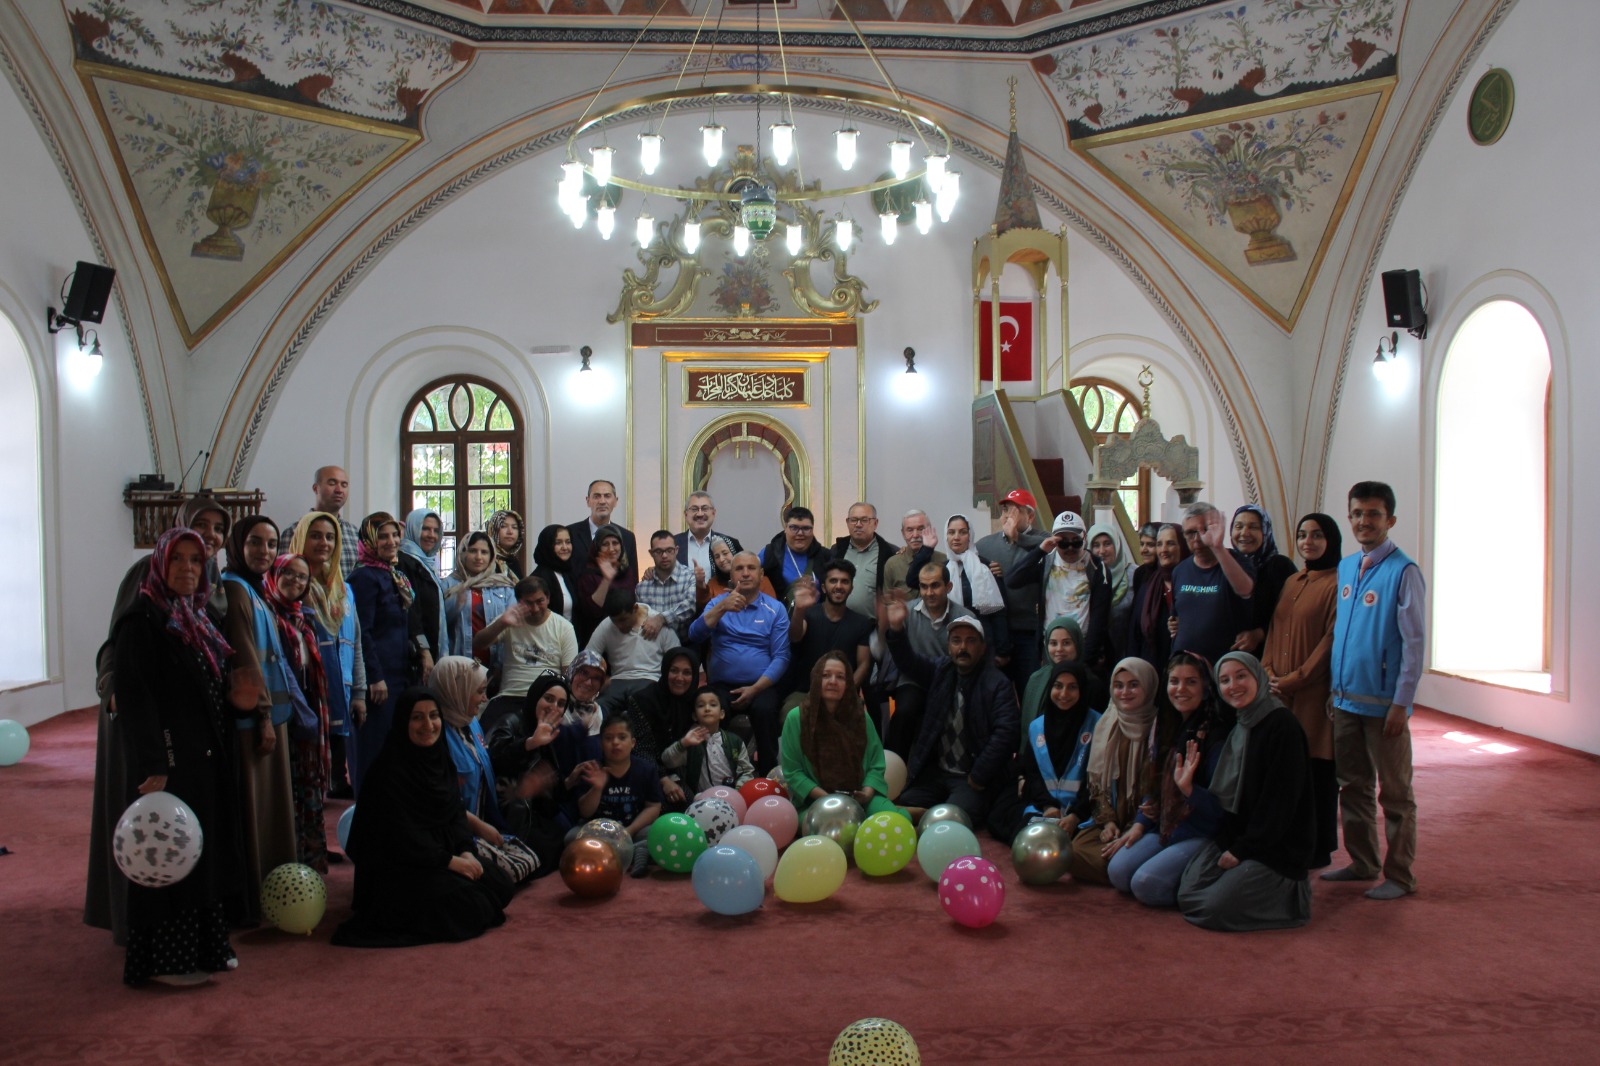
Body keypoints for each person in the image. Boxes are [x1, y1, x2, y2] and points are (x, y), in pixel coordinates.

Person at [93, 528, 244, 986]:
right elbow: (136, 699)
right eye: (177, 560)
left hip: (202, 757)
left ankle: (205, 950)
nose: (187, 569)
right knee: (167, 855)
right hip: (169, 763)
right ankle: (166, 960)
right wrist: (156, 765)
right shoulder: (142, 620)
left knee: (201, 854)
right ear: (159, 564)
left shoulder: (196, 616)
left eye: (195, 561)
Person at [332, 689, 514, 948]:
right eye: (417, 717)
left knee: (501, 885)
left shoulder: (440, 760)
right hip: (400, 869)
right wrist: (449, 862)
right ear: (403, 722)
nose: (427, 725)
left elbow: (455, 815)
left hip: (439, 855)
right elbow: (400, 838)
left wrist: (466, 852)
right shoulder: (388, 772)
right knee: (471, 904)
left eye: (433, 716)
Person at [1324, 481, 1424, 901]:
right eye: (1357, 513)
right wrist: (1335, 689)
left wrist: (1401, 703)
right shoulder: (1347, 567)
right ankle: (1363, 862)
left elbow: (1414, 643)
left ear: (1390, 520)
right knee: (1353, 785)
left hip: (1385, 706)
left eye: (1373, 514)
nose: (1364, 521)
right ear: (1349, 517)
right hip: (1346, 700)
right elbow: (1341, 635)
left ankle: (1400, 876)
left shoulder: (1404, 572)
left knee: (1396, 794)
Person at [1176, 652, 1315, 931]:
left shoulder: (1282, 725)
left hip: (1276, 847)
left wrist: (1243, 850)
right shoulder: (1241, 725)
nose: (1233, 685)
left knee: (1213, 908)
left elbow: (1280, 803)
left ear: (1258, 677)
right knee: (1187, 894)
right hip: (1241, 837)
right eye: (1224, 680)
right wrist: (1230, 842)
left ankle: (1290, 903)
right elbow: (1234, 803)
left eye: (1241, 676)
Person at [1107, 651, 1234, 906]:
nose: (1181, 689)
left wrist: (1188, 789)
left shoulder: (1216, 736)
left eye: (1191, 682)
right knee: (1118, 872)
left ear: (1206, 687)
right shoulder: (1167, 724)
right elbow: (1153, 785)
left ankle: (1202, 885)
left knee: (1145, 885)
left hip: (1203, 832)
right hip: (1166, 826)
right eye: (1174, 681)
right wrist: (1140, 824)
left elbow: (1222, 812)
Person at [218, 515, 298, 919]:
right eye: (254, 542)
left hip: (273, 715)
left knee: (271, 808)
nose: (264, 552)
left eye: (270, 544)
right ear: (237, 546)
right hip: (254, 721)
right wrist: (263, 717)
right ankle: (254, 898)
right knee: (257, 808)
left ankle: (272, 889)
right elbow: (246, 660)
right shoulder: (234, 591)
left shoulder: (255, 589)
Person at [884, 604, 1018, 825]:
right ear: (948, 646)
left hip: (971, 776)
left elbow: (1006, 733)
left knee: (958, 816)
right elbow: (908, 662)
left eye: (970, 641)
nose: (962, 647)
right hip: (939, 773)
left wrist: (978, 775)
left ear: (983, 647)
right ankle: (927, 813)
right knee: (909, 798)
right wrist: (897, 629)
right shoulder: (942, 670)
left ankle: (925, 815)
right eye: (956, 640)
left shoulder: (997, 684)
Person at [1261, 514, 1342, 869]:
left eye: (1317, 535)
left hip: (1312, 692)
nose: (1308, 541)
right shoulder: (1293, 580)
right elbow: (1274, 629)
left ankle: (1319, 846)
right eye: (1302, 535)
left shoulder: (1339, 583)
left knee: (1317, 770)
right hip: (1279, 689)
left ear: (1332, 540)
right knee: (1288, 769)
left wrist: (1296, 678)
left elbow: (1330, 641)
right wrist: (1266, 672)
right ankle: (1292, 838)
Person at [431, 655, 545, 885]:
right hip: (454, 830)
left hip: (483, 822)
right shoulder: (436, 735)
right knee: (505, 877)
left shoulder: (471, 722)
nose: (484, 699)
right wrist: (479, 827)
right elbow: (440, 802)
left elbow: (489, 764)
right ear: (456, 690)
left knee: (533, 860)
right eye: (479, 691)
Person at [688, 550, 791, 774]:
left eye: (751, 568)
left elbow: (782, 657)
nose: (745, 573)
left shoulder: (776, 609)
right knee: (711, 713)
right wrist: (722, 607)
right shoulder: (717, 603)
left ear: (761, 574)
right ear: (731, 575)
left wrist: (755, 689)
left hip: (761, 685)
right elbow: (694, 635)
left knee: (765, 712)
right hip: (722, 685)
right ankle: (713, 775)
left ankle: (768, 776)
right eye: (739, 569)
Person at [1063, 658, 1162, 885]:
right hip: (1114, 821)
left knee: (1117, 867)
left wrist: (1135, 825)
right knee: (1072, 853)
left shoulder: (1159, 728)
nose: (1124, 692)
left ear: (1149, 687)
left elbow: (1156, 790)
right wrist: (1108, 823)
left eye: (1133, 685)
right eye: (1118, 685)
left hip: (1146, 824)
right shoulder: (1107, 723)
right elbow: (1095, 785)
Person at [262, 553, 332, 873]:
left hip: (308, 710)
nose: (295, 581)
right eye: (288, 573)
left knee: (308, 786)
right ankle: (286, 863)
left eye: (302, 577)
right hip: (282, 713)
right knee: (285, 790)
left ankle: (311, 861)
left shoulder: (303, 618)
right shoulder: (266, 615)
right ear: (274, 574)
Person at [290, 512, 367, 803]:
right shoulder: (290, 583)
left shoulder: (343, 589)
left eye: (330, 537)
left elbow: (354, 642)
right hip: (306, 692)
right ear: (301, 538)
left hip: (340, 689)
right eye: (316, 535)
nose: (324, 543)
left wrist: (358, 692)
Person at [985, 659, 1101, 844]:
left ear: (1082, 689)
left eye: (1072, 687)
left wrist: (1075, 815)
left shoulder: (1097, 725)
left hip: (1081, 812)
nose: (1064, 694)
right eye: (1058, 686)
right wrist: (1048, 806)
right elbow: (1032, 774)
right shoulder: (1037, 726)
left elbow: (1097, 780)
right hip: (1046, 808)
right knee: (1011, 829)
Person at [780, 652, 906, 818]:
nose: (833, 681)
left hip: (860, 798)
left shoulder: (861, 717)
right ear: (816, 680)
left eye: (840, 677)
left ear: (848, 683)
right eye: (826, 675)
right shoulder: (796, 718)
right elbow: (793, 771)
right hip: (815, 802)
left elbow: (876, 762)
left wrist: (867, 793)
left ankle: (904, 813)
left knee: (892, 819)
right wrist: (829, 800)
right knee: (824, 829)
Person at [349, 512, 421, 796]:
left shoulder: (391, 573)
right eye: (382, 536)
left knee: (393, 752)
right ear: (368, 540)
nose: (391, 541)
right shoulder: (364, 576)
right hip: (377, 680)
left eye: (394, 535)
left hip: (397, 676)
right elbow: (362, 632)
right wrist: (373, 677)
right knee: (373, 753)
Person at [883, 562, 976, 756]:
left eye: (935, 585)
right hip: (913, 679)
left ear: (948, 587)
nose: (929, 592)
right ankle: (892, 767)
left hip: (950, 681)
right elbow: (902, 660)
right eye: (924, 586)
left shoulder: (965, 617)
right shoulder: (905, 612)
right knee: (905, 710)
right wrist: (895, 628)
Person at [1007, 510, 1114, 671]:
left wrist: (1086, 661)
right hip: (1051, 649)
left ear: (1084, 538)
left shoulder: (1097, 567)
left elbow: (1100, 618)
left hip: (1083, 648)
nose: (1070, 547)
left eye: (1075, 542)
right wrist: (1040, 550)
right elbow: (1012, 580)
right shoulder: (1046, 561)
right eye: (1063, 543)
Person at [485, 674, 576, 857]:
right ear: (535, 696)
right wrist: (530, 743)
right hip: (509, 815)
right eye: (548, 699)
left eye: (560, 704)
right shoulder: (510, 721)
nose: (554, 707)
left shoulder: (550, 732)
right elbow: (494, 760)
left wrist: (570, 780)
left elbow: (548, 790)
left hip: (536, 814)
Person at [475, 576, 580, 727]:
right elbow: (479, 643)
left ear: (548, 598)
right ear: (519, 602)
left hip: (547, 697)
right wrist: (502, 623)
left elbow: (568, 675)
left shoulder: (564, 627)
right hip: (511, 696)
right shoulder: (509, 620)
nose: (535, 608)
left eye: (540, 601)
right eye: (528, 603)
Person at [572, 714, 662, 876]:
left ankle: (625, 852)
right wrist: (597, 788)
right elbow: (585, 812)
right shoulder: (592, 769)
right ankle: (635, 853)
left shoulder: (646, 769)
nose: (615, 743)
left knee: (659, 834)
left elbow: (653, 806)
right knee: (572, 838)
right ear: (601, 743)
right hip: (599, 833)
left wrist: (629, 831)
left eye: (622, 737)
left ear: (632, 743)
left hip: (633, 829)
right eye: (609, 738)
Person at [977, 488, 1046, 691]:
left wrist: (1018, 538)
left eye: (1015, 512)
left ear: (1030, 516)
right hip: (999, 632)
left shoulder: (1042, 540)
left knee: (1030, 690)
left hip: (1029, 632)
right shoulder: (985, 545)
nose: (1008, 516)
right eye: (1005, 510)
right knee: (999, 692)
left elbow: (1050, 547)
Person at [1171, 502, 1256, 664]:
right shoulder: (1180, 570)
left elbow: (1245, 589)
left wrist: (1217, 547)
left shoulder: (1237, 562)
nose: (1197, 539)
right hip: (1185, 666)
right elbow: (1177, 618)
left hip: (1225, 666)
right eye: (1190, 533)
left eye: (1203, 531)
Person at [782, 558, 874, 702]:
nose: (839, 586)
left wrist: (845, 691)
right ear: (824, 587)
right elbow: (795, 636)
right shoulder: (808, 614)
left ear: (851, 588)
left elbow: (863, 664)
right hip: (806, 693)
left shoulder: (862, 623)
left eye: (844, 581)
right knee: (790, 714)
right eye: (833, 581)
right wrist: (799, 609)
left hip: (845, 694)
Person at [625, 648, 702, 807]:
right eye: (674, 670)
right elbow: (639, 749)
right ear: (665, 670)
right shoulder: (643, 701)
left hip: (676, 770)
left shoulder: (693, 703)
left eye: (687, 672)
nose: (680, 678)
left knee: (691, 802)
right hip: (643, 770)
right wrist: (664, 780)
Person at [585, 589, 680, 713]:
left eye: (623, 620)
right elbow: (588, 656)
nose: (619, 626)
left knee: (643, 706)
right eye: (615, 622)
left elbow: (677, 659)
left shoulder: (658, 623)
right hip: (617, 681)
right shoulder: (607, 625)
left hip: (649, 679)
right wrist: (601, 679)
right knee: (597, 710)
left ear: (635, 608)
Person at [441, 530, 517, 669]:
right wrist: (456, 604)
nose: (478, 557)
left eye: (484, 552)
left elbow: (512, 629)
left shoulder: (504, 586)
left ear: (492, 556)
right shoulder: (449, 584)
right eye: (472, 551)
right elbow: (440, 624)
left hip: (496, 665)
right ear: (463, 553)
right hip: (459, 664)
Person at [1229, 505, 1299, 655]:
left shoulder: (1280, 566)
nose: (1244, 533)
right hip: (1227, 656)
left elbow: (1294, 613)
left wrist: (1259, 634)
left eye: (1253, 527)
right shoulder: (1226, 565)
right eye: (1238, 526)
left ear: (1265, 532)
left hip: (1269, 655)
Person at [661, 686, 757, 795]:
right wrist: (683, 744)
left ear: (722, 714)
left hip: (731, 797)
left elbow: (747, 771)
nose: (707, 708)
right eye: (701, 705)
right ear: (694, 716)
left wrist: (737, 790)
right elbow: (667, 761)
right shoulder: (689, 741)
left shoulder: (735, 741)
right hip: (700, 801)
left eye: (713, 704)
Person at [1018, 616, 1107, 732]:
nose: (1059, 649)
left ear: (1077, 643)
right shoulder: (1036, 679)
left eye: (1066, 643)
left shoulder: (1091, 683)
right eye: (1053, 643)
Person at [1125, 523, 1189, 672]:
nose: (1164, 550)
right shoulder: (1150, 584)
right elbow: (1135, 631)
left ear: (1183, 546)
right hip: (1151, 666)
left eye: (1171, 543)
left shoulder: (1193, 581)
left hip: (1185, 666)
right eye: (1159, 544)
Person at [394, 508, 448, 679]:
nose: (431, 535)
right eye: (425, 529)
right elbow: (412, 610)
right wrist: (424, 651)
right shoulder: (405, 562)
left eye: (436, 530)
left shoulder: (427, 564)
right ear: (413, 529)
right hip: (415, 655)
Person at [282, 466, 360, 580]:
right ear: (316, 488)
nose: (339, 490)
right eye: (332, 483)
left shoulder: (354, 532)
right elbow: (284, 577)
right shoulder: (295, 531)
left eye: (344, 485)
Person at [943, 513, 1008, 640]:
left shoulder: (986, 567)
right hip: (950, 639)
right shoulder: (942, 569)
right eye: (951, 532)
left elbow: (999, 614)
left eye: (962, 532)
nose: (956, 537)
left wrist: (1002, 650)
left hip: (983, 638)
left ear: (970, 536)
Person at [829, 501, 896, 618]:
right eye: (853, 520)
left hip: (872, 627)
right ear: (847, 522)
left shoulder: (890, 553)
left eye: (864, 520)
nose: (858, 524)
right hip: (838, 624)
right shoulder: (836, 550)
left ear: (875, 523)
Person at [566, 480, 639, 585]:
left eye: (607, 496)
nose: (602, 501)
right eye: (596, 496)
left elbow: (632, 579)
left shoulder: (627, 537)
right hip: (579, 599)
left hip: (616, 599)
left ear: (615, 501)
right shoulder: (570, 533)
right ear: (588, 501)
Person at [574, 524, 636, 647]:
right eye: (605, 544)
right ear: (597, 548)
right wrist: (607, 579)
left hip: (626, 638)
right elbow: (593, 611)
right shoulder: (588, 574)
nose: (611, 548)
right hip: (600, 639)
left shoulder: (627, 571)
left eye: (615, 543)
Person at [675, 492, 742, 599]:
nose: (700, 514)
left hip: (721, 609)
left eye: (705, 508)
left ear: (714, 513)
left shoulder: (729, 543)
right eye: (694, 509)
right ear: (686, 514)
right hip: (681, 611)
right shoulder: (673, 544)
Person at [635, 530, 698, 643]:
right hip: (652, 647)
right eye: (658, 551)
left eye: (669, 550)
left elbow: (690, 605)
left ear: (676, 550)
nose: (664, 555)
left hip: (683, 646)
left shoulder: (689, 577)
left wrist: (661, 619)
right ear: (651, 553)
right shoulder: (642, 587)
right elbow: (639, 620)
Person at [758, 505, 826, 603]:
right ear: (785, 528)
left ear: (812, 530)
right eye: (794, 528)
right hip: (782, 616)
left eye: (806, 528)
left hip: (816, 616)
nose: (800, 533)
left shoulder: (825, 555)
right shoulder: (770, 553)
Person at [1087, 522, 1135, 659]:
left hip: (1126, 651)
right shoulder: (1084, 577)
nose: (1102, 551)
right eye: (1096, 545)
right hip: (1094, 655)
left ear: (1117, 545)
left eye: (1107, 543)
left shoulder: (1134, 575)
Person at [882, 510, 947, 602]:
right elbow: (887, 603)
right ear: (903, 533)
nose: (915, 535)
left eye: (921, 529)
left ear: (929, 530)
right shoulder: (893, 564)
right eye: (910, 530)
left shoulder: (943, 560)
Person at [700, 534, 776, 610]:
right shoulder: (713, 585)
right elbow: (706, 614)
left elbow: (771, 609)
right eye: (717, 557)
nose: (721, 559)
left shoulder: (759, 580)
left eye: (725, 553)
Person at [531, 523, 578, 621]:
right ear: (547, 546)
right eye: (558, 542)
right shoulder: (538, 579)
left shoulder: (569, 572)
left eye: (568, 542)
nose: (565, 547)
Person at [486, 509, 526, 580]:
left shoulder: (513, 561)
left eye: (514, 527)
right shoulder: (486, 560)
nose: (510, 532)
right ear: (493, 530)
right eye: (503, 526)